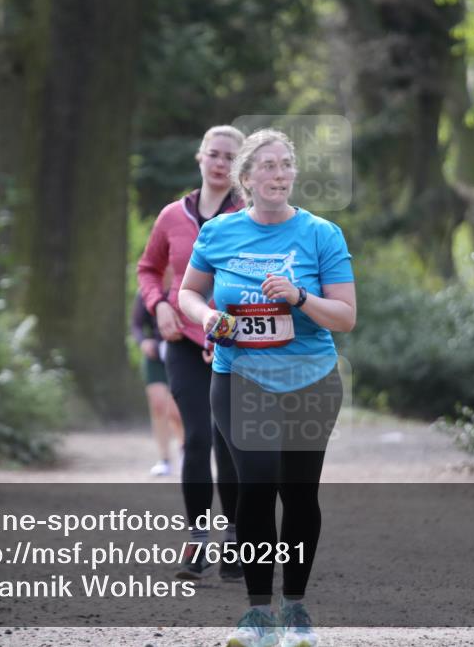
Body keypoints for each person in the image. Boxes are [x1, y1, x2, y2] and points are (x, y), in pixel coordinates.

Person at [179, 129, 356, 647]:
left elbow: (345, 317)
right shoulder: (219, 233)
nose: (279, 174)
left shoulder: (322, 234)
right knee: (256, 484)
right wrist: (207, 316)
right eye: (268, 166)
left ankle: (295, 609)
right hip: (240, 377)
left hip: (310, 380)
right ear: (247, 178)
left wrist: (299, 297)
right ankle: (257, 613)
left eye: (285, 165)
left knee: (299, 493)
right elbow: (188, 293)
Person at [137, 125, 246, 581]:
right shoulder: (171, 216)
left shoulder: (250, 217)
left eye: (230, 157)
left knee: (231, 443)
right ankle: (197, 539)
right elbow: (149, 269)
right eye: (214, 154)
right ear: (200, 157)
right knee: (197, 438)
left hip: (236, 345)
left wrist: (226, 327)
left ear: (240, 167)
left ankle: (237, 539)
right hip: (183, 343)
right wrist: (159, 305)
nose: (220, 163)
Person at [130, 289, 183, 476]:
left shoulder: (183, 286)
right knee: (158, 405)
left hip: (180, 353)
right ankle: (164, 459)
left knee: (176, 411)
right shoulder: (146, 291)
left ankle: (184, 449)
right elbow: (136, 325)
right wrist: (143, 342)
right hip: (155, 355)